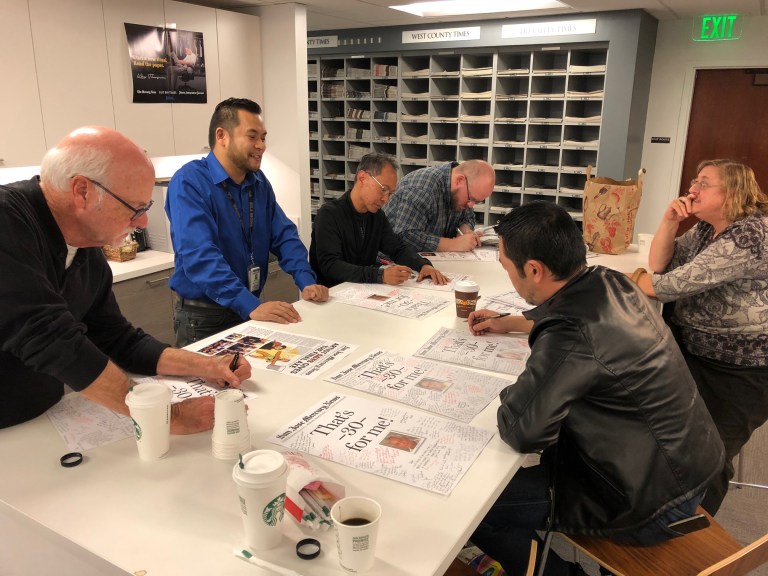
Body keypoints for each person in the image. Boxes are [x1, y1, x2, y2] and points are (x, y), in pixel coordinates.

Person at [467, 202, 724, 576]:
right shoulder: (610, 281)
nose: (509, 276)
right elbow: (580, 320)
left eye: (506, 266)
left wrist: (515, 390)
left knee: (475, 508)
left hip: (648, 501)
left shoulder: (569, 334)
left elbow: (523, 431)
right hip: (693, 466)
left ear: (534, 269)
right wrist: (511, 322)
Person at [0, 126, 251, 433]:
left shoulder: (85, 246)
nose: (142, 222)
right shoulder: (7, 220)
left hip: (40, 420)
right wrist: (169, 416)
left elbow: (118, 339)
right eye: (135, 208)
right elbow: (49, 338)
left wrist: (208, 365)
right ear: (82, 191)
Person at [629, 159, 768, 515]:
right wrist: (669, 221)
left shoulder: (749, 234)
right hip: (697, 352)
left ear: (733, 192)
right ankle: (662, 513)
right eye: (695, 181)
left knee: (711, 455)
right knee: (676, 438)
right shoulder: (709, 227)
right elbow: (660, 265)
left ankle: (690, 533)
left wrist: (633, 278)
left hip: (742, 369)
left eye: (704, 183)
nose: (692, 189)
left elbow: (664, 286)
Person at [166, 98, 329, 347]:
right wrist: (250, 305)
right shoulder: (189, 182)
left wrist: (306, 281)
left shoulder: (258, 182)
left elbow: (284, 235)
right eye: (252, 137)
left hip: (247, 308)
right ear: (222, 136)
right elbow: (200, 257)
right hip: (205, 318)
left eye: (263, 137)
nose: (261, 146)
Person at [309, 153, 447, 287]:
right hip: (333, 293)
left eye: (390, 193)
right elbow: (331, 266)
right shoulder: (329, 214)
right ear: (362, 178)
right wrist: (380, 275)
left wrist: (423, 265)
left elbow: (397, 248)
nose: (385, 199)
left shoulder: (376, 216)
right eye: (383, 189)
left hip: (362, 290)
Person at [382, 160, 495, 252]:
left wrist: (465, 229)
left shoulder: (464, 191)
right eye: (472, 199)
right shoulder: (422, 188)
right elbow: (406, 236)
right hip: (390, 262)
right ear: (459, 180)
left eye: (477, 202)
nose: (471, 205)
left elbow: (468, 217)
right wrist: (453, 244)